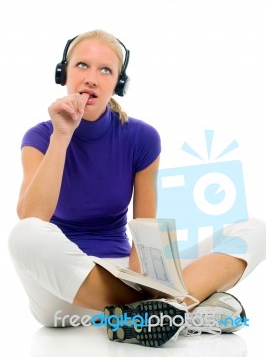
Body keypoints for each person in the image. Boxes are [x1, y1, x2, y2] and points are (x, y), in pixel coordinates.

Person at [8, 29, 266, 348]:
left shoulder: (141, 138)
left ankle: (150, 311)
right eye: (82, 66)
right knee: (24, 233)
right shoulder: (39, 137)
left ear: (118, 83)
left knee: (254, 229)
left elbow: (145, 230)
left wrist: (150, 275)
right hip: (66, 290)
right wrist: (61, 137)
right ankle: (177, 308)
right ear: (63, 73)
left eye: (106, 70)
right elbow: (33, 216)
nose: (92, 78)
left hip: (121, 273)